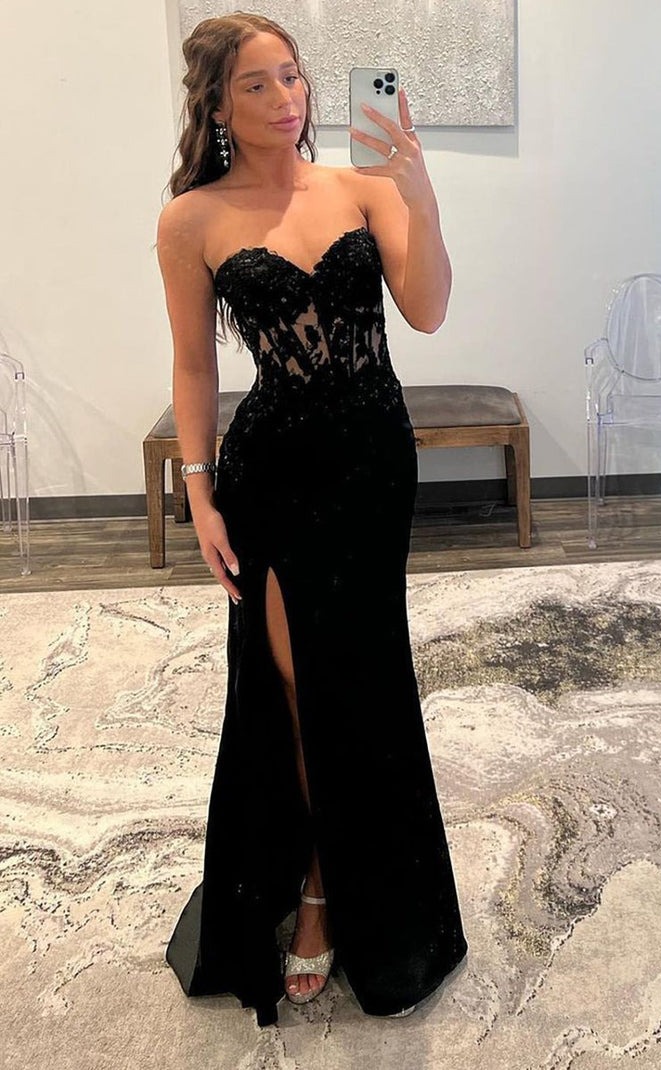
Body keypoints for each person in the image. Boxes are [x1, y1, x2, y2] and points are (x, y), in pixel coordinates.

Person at [156, 10, 468, 1028]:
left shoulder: (362, 186)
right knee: (292, 684)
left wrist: (417, 187)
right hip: (270, 471)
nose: (284, 98)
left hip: (371, 465)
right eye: (256, 84)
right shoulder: (190, 219)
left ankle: (331, 888)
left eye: (290, 75)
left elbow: (427, 309)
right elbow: (194, 366)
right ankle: (306, 875)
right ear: (216, 105)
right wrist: (199, 493)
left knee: (363, 676)